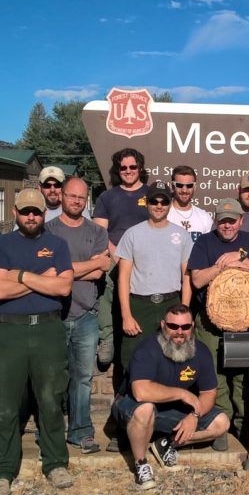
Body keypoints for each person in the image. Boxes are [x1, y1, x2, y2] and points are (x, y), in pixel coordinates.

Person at [0, 189, 74, 495]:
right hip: (11, 333)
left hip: (49, 329)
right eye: (25, 212)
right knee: (5, 404)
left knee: (51, 400)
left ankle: (56, 463)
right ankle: (2, 471)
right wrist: (40, 277)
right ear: (15, 211)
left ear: (43, 213)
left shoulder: (57, 245)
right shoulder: (0, 245)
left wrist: (19, 275)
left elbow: (63, 286)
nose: (31, 217)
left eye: (36, 212)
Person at [112, 305, 231, 489]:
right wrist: (182, 393)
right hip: (131, 406)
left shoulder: (202, 351)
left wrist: (194, 416)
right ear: (163, 325)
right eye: (173, 326)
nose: (179, 332)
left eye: (185, 327)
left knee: (221, 423)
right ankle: (141, 463)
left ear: (192, 326)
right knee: (145, 408)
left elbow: (209, 393)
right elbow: (140, 392)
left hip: (169, 410)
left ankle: (166, 444)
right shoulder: (147, 349)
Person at [187, 198, 249, 449]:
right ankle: (221, 425)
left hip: (246, 319)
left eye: (232, 221)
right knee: (215, 374)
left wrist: (241, 258)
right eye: (223, 221)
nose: (227, 225)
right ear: (216, 222)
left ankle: (246, 427)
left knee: (245, 375)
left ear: (241, 221)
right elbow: (197, 280)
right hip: (210, 322)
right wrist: (221, 265)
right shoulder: (204, 242)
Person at [44, 177, 111, 454]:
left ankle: (81, 431)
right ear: (61, 196)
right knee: (51, 376)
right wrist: (86, 265)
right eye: (71, 196)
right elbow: (45, 271)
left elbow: (99, 271)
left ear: (87, 200)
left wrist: (65, 269)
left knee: (83, 377)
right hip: (53, 314)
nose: (76, 201)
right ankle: (50, 431)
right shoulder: (47, 230)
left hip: (86, 314)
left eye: (81, 198)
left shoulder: (96, 232)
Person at [116, 180, 193, 374]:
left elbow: (187, 277)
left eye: (164, 201)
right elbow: (123, 277)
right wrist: (126, 315)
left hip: (171, 303)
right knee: (133, 359)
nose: (159, 205)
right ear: (147, 203)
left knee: (175, 359)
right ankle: (131, 402)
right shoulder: (132, 234)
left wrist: (185, 311)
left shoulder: (182, 235)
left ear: (169, 204)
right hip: (140, 306)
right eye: (154, 201)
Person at [92, 148, 150, 371]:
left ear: (140, 168)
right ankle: (107, 337)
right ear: (117, 169)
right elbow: (100, 232)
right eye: (123, 167)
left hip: (145, 257)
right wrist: (118, 254)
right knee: (106, 284)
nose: (128, 171)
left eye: (132, 167)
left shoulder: (151, 194)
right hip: (115, 254)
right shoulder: (107, 197)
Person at [167, 165, 213, 242]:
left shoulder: (204, 217)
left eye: (189, 186)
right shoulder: (164, 215)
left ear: (194, 187)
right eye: (179, 185)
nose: (184, 190)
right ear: (172, 186)